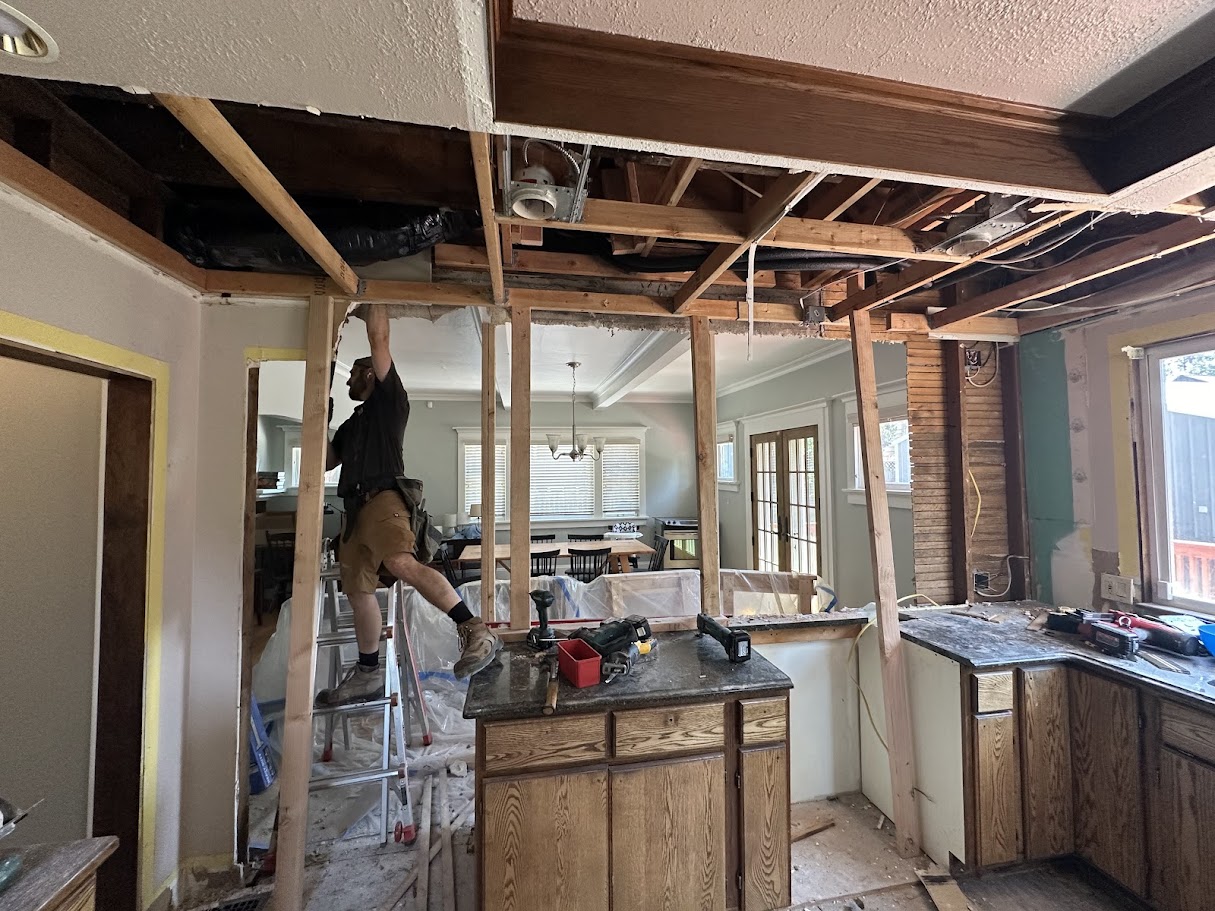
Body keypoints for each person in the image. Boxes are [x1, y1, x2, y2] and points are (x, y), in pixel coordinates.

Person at [316, 306, 500, 706]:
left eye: (353, 373)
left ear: (369, 374)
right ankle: (368, 672)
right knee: (358, 591)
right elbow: (328, 462)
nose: (348, 379)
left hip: (384, 498)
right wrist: (321, 422)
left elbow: (380, 341)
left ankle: (473, 627)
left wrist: (368, 305)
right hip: (353, 512)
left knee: (402, 563)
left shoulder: (390, 402)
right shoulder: (354, 423)